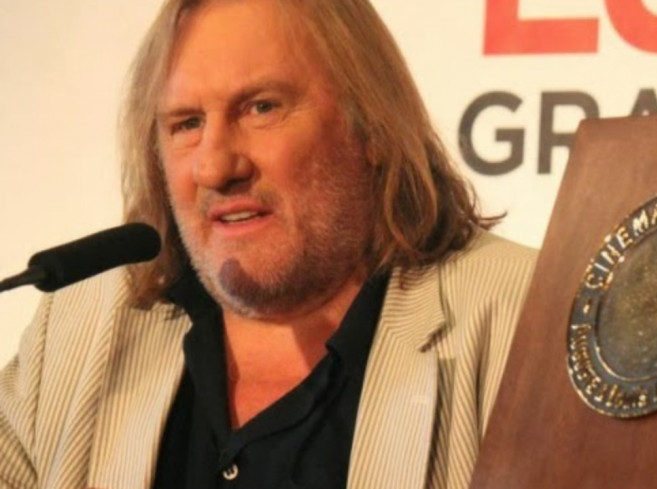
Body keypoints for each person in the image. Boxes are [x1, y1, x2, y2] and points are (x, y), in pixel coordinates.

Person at [0, 0, 536, 488]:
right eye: (187, 124)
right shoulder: (75, 334)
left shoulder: (525, 324)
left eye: (261, 108)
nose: (215, 166)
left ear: (372, 127)